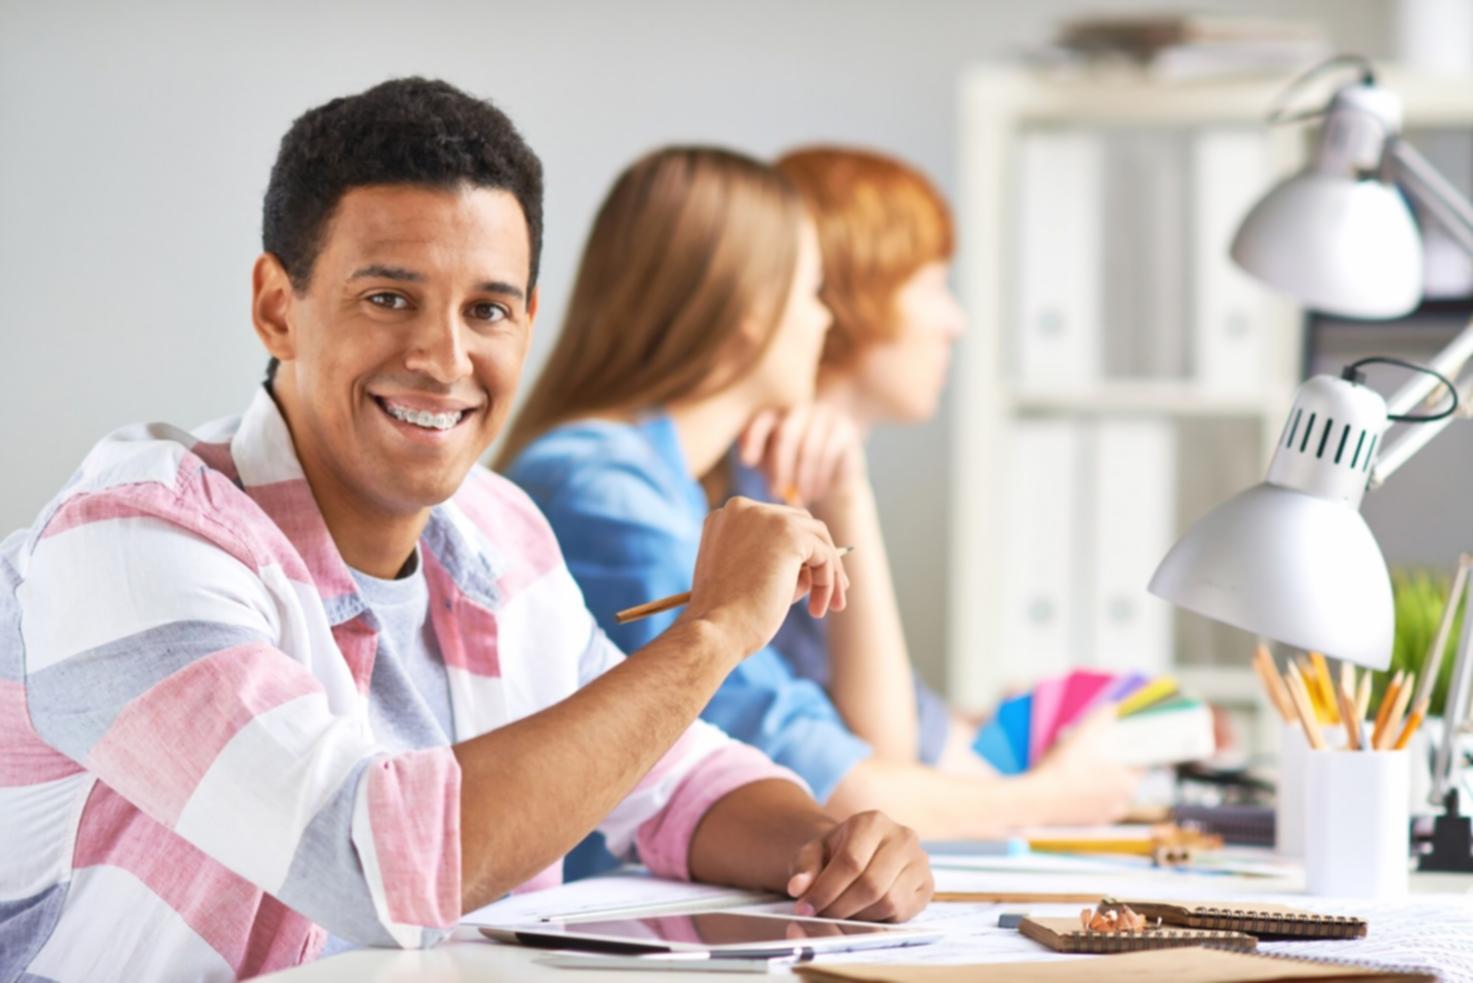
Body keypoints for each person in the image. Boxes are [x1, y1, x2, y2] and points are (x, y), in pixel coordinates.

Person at [0, 82, 931, 982]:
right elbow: (377, 864)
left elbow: (680, 780)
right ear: (278, 307)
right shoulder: (130, 543)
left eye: (487, 309)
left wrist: (828, 846)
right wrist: (711, 633)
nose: (445, 360)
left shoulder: (495, 529)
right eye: (388, 298)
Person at [500, 146, 1139, 873]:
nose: (821, 321)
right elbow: (839, 781)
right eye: (810, 293)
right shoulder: (605, 491)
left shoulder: (667, 485)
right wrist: (1051, 796)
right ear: (751, 310)